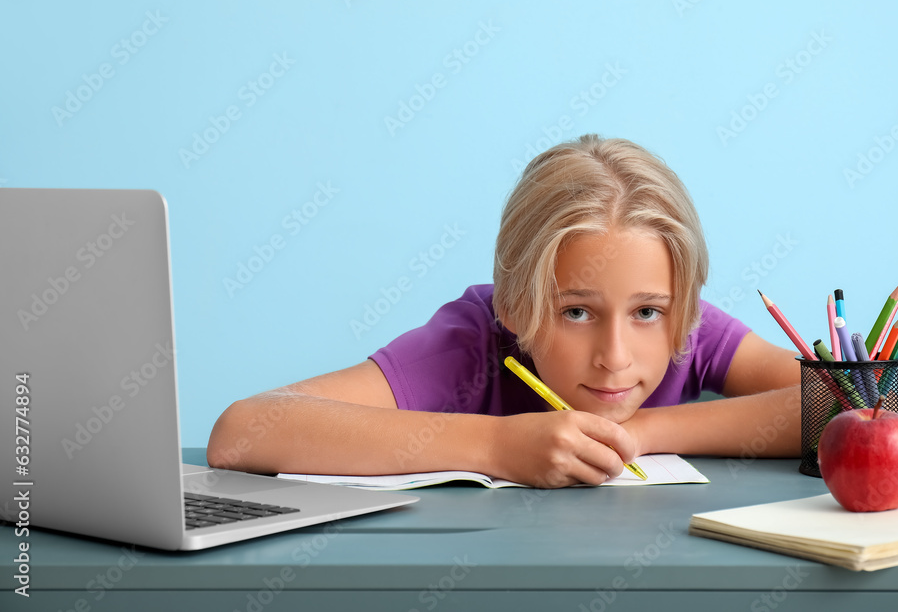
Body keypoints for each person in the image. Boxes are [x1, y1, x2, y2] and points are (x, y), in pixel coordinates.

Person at [208, 135, 801, 487]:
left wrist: (642, 433)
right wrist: (497, 447)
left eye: (646, 312)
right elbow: (241, 432)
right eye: (575, 312)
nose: (616, 357)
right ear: (516, 304)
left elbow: (855, 403)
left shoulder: (684, 325)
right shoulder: (468, 348)